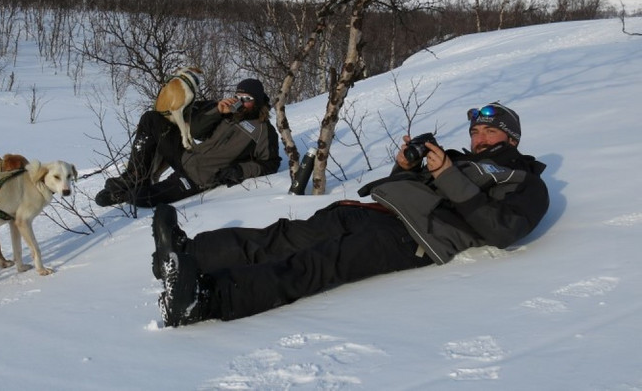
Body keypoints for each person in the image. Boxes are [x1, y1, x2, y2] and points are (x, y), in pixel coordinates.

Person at [152, 101, 549, 327]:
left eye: (489, 132)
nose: (478, 138)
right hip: (377, 211)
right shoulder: (460, 159)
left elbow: (502, 230)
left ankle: (204, 299)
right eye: (476, 132)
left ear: (511, 138)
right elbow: (414, 190)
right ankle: (189, 254)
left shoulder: (526, 181)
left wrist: (446, 173)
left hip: (414, 239)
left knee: (316, 263)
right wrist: (405, 167)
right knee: (287, 235)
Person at [95, 78, 281, 208]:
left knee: (143, 198)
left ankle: (128, 194)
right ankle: (135, 176)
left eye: (247, 99)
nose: (241, 102)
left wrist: (239, 170)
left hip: (197, 179)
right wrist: (217, 110)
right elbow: (196, 131)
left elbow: (270, 163)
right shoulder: (227, 113)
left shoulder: (264, 131)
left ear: (257, 101)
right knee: (151, 119)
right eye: (238, 97)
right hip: (185, 156)